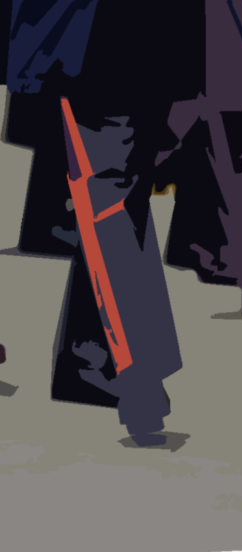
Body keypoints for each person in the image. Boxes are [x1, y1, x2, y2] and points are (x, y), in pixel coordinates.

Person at [5, 0, 204, 444]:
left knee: (119, 198)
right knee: (114, 198)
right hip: (107, 40)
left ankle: (93, 360)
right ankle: (133, 373)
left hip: (140, 37)